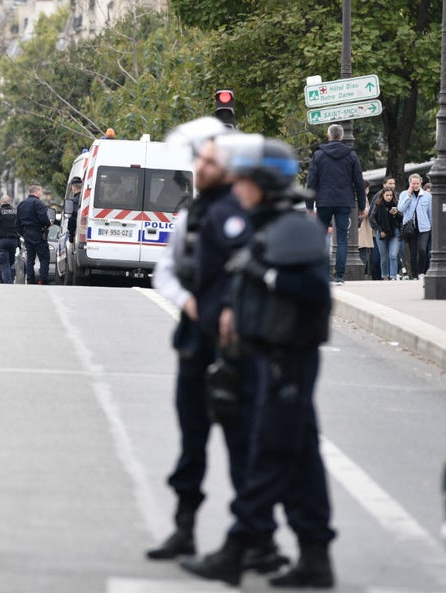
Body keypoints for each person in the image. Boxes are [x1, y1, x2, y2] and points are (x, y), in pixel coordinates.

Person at [181, 134, 335, 588]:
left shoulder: (291, 230)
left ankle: (238, 547)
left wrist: (264, 275)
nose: (237, 186)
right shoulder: (269, 225)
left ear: (263, 184)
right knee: (302, 458)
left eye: (245, 179)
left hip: (286, 361)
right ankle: (315, 555)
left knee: (268, 454)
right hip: (271, 357)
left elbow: (312, 293)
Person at [149, 118, 288, 573]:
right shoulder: (192, 214)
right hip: (195, 344)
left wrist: (232, 307)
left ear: (228, 168)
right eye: (200, 159)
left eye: (208, 161)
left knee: (242, 445)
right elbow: (165, 270)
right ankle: (184, 528)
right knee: (192, 443)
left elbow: (250, 269)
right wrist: (187, 300)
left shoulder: (242, 211)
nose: (199, 167)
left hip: (236, 350)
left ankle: (257, 540)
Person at [304, 124, 367, 285]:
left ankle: (325, 274)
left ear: (329, 135)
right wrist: (361, 205)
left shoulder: (318, 155)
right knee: (342, 239)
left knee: (322, 236)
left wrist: (309, 206)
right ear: (342, 136)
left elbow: (311, 181)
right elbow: (359, 182)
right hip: (344, 201)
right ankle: (339, 275)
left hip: (323, 201)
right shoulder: (351, 155)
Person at [397, 174, 432, 280]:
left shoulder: (427, 196)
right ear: (410, 183)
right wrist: (408, 195)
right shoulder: (404, 194)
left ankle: (421, 272)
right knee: (413, 252)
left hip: (424, 227)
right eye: (413, 183)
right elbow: (400, 209)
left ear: (421, 183)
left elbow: (430, 213)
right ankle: (414, 275)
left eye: (417, 183)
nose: (415, 185)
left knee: (422, 250)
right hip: (410, 228)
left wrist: (431, 226)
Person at [16, 184, 51, 284]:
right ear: (36, 191)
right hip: (38, 234)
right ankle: (44, 279)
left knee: (30, 259)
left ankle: (30, 280)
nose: (41, 193)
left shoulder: (21, 204)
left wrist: (24, 233)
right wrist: (48, 224)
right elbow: (44, 219)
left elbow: (17, 224)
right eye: (41, 191)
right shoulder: (38, 203)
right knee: (44, 258)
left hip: (27, 234)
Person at [369, 187, 402, 280]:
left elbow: (402, 218)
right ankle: (385, 276)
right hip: (382, 232)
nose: (389, 197)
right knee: (383, 257)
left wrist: (396, 214)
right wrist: (380, 230)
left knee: (393, 255)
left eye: (391, 195)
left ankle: (393, 276)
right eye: (387, 195)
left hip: (394, 232)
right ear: (382, 195)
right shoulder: (378, 204)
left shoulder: (396, 204)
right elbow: (372, 218)